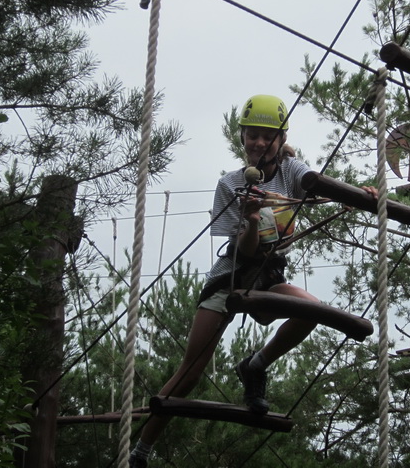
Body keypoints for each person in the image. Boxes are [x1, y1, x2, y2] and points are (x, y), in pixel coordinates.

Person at [129, 94, 370, 468]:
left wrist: (360, 195)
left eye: (267, 136)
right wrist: (253, 220)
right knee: (190, 371)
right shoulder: (230, 184)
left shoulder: (290, 171)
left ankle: (255, 364)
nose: (259, 143)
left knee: (312, 310)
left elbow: (314, 181)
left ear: (280, 139)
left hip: (269, 277)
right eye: (252, 135)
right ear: (242, 137)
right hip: (231, 276)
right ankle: (141, 450)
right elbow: (244, 250)